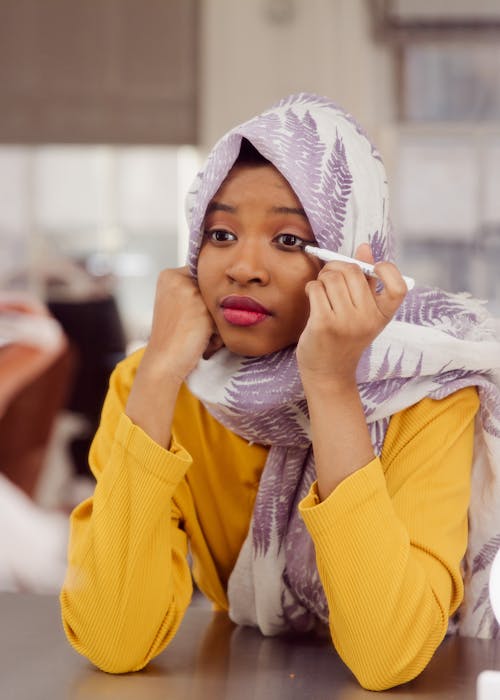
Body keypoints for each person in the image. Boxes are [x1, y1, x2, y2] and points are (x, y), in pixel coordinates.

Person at [60, 93, 500, 691]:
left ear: (350, 257)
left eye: (289, 241)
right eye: (220, 233)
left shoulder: (427, 394)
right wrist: (160, 373)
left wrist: (330, 383)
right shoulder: (154, 388)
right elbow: (114, 639)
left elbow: (387, 654)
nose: (244, 267)